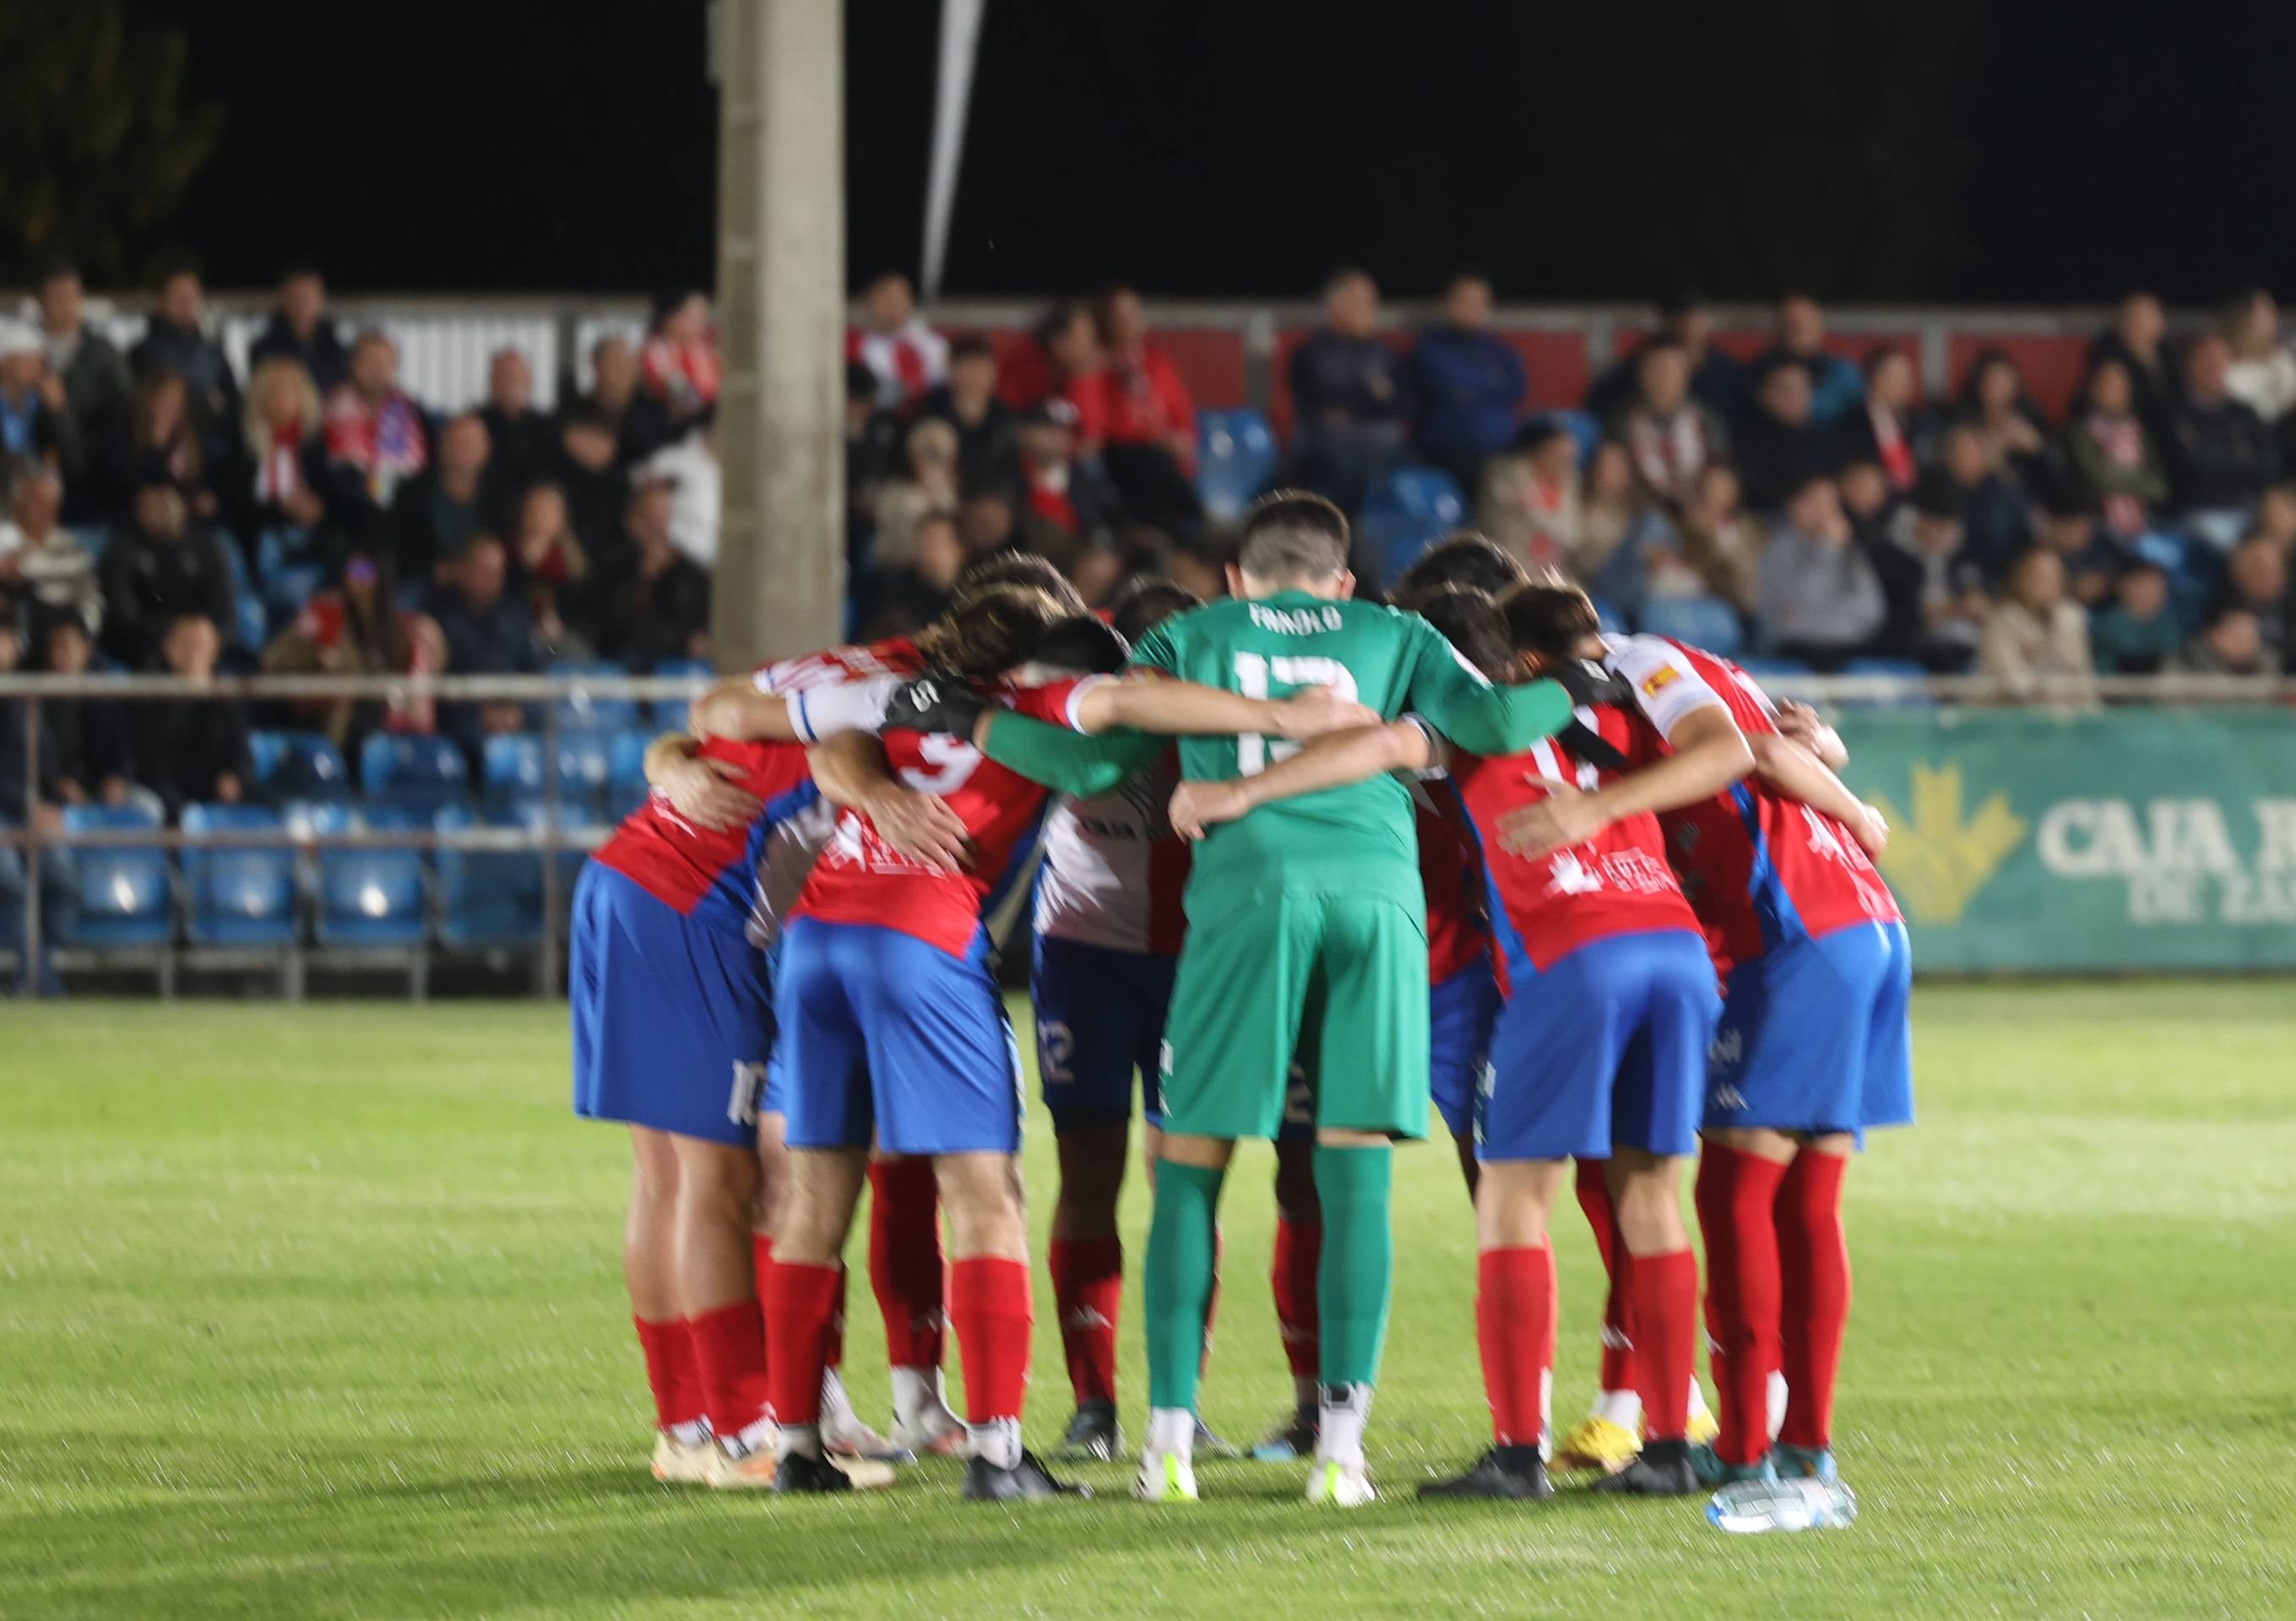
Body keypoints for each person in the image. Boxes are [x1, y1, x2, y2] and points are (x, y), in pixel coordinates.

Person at [938, 492, 1577, 1506]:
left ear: (1237, 578)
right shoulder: (1396, 631)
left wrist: (970, 719)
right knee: (1351, 1176)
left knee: (1188, 1169)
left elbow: (1090, 758)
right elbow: (1499, 721)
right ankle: (1340, 1452)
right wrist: (1584, 681)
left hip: (1244, 898)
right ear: (1340, 583)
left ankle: (1168, 1451)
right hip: (1376, 899)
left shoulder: (1191, 633)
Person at [1169, 585, 1763, 1501]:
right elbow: (1732, 750)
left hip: (1574, 953)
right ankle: (1671, 1444)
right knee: (1650, 1192)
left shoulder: (1464, 721)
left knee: (1512, 1201)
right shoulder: (1610, 705)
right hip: (1674, 944)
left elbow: (1371, 746)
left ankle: (1517, 1455)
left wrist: (1236, 789)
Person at [568, 594, 1059, 1491]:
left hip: (637, 880)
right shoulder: (906, 694)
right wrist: (874, 793)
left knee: (673, 1176)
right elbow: (830, 757)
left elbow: (713, 711)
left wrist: (668, 761)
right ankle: (743, 1431)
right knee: (727, 1178)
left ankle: (690, 1425)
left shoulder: (861, 663)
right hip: (699, 906)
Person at [263, 550, 444, 751]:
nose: (356, 579)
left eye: (364, 572)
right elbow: (275, 657)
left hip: (387, 715)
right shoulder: (325, 613)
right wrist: (320, 660)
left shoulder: (403, 625)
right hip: (326, 714)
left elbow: (422, 670)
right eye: (353, 571)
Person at [1068, 285, 1202, 534]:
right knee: (1143, 458)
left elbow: (1182, 420)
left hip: (1163, 464)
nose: (1130, 322)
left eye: (1134, 313)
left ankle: (1186, 525)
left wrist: (1177, 441)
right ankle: (1190, 519)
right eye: (1120, 315)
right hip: (1122, 461)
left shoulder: (1158, 364)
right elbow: (1094, 429)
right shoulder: (1098, 369)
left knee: (1159, 465)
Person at [1285, 268, 1409, 513]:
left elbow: (1401, 404)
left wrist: (1352, 407)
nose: (1368, 308)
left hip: (1385, 452)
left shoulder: (1385, 354)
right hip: (1328, 453)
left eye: (1371, 301)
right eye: (1358, 301)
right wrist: (1372, 398)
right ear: (1334, 305)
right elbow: (1320, 401)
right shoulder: (1311, 353)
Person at [1407, 270, 1526, 500]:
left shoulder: (1501, 351)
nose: (1473, 307)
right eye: (1465, 300)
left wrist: (1471, 391)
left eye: (1480, 301)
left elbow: (1517, 389)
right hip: (1446, 455)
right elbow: (1446, 388)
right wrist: (1487, 387)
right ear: (1446, 303)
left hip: (1499, 453)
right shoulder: (1429, 349)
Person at [425, 534, 548, 755]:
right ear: (463, 571)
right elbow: (435, 683)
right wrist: (479, 714)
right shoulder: (437, 617)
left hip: (514, 717)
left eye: (498, 572)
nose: (493, 580)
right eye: (485, 571)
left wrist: (518, 712)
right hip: (462, 725)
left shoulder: (516, 616)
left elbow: (534, 672)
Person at [97, 483, 236, 672]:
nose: (163, 507)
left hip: (203, 645)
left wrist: (202, 635)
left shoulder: (208, 549)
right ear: (139, 507)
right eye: (154, 499)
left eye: (168, 498)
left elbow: (226, 614)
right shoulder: (120, 553)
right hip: (144, 649)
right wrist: (173, 632)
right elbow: (123, 617)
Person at [1757, 477, 1886, 670]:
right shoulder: (1776, 550)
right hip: (1793, 650)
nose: (1826, 514)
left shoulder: (1848, 552)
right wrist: (1826, 550)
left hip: (1844, 648)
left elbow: (1871, 610)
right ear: (1796, 506)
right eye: (1818, 504)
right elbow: (1796, 606)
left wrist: (1827, 621)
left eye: (1832, 505)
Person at [34, 261, 133, 509]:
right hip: (33, 476)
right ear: (42, 302)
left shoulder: (103, 354)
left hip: (90, 480)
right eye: (55, 297)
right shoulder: (24, 352)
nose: (63, 306)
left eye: (70, 297)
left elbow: (124, 412)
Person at [132, 614, 252, 816]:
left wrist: (234, 776)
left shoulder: (226, 697)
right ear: (168, 648)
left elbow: (240, 750)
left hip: (216, 787)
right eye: (187, 644)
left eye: (202, 645)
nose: (195, 653)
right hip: (167, 788)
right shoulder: (151, 694)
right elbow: (151, 759)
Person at [2166, 334, 2279, 548]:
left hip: (2250, 508)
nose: (2215, 366)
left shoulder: (2244, 413)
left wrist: (2218, 461)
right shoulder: (2174, 415)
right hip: (2200, 512)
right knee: (2229, 542)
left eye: (2221, 359)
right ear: (2190, 364)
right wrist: (2240, 460)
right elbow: (2190, 471)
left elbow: (2269, 464)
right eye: (2207, 358)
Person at [589, 479, 710, 669]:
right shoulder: (614, 562)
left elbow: (697, 618)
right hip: (621, 657)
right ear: (634, 518)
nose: (657, 523)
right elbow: (606, 619)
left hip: (677, 660)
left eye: (662, 514)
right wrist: (641, 576)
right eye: (650, 515)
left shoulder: (686, 569)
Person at [323, 333, 431, 546]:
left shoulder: (412, 412)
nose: (376, 371)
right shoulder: (327, 411)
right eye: (369, 361)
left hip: (401, 522)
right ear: (352, 365)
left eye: (383, 363)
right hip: (345, 524)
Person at [1870, 487, 1989, 671]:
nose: (1943, 536)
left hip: (1967, 647)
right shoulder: (1889, 558)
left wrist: (1980, 608)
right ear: (1920, 519)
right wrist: (1938, 612)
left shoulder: (1961, 560)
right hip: (1911, 654)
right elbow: (1892, 622)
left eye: (1950, 529)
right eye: (1938, 527)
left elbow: (1983, 601)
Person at [1588, 293, 1743, 426]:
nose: (1690, 326)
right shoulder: (1644, 359)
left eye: (1696, 318)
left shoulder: (1722, 370)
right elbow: (1602, 401)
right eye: (1681, 319)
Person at [35, 610, 136, 807]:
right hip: (52, 792)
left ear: (85, 648)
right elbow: (36, 759)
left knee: (147, 807)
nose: (58, 656)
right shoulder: (36, 699)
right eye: (53, 647)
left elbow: (122, 749)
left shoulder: (105, 694)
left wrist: (117, 778)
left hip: (100, 788)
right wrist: (57, 783)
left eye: (66, 646)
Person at [1612, 337, 1729, 508]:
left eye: (1673, 370)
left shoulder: (1707, 419)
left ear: (1686, 374)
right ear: (1641, 375)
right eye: (1656, 370)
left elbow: (1722, 472)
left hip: (1699, 510)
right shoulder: (1622, 421)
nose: (1664, 379)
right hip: (1642, 512)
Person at [2065, 357, 2169, 539]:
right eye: (2109, 383)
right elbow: (2098, 478)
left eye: (2122, 384)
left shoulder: (2140, 431)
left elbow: (2160, 486)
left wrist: (2120, 478)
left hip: (2146, 518)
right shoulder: (2080, 432)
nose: (2116, 390)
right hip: (2099, 520)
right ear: (2093, 388)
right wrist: (2140, 478)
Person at [386, 413, 496, 582]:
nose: (465, 450)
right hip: (426, 584)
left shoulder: (500, 495)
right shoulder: (413, 494)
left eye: (472, 443)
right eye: (458, 443)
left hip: (486, 588)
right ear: (441, 447)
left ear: (486, 450)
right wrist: (440, 570)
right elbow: (401, 552)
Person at [1978, 548, 2096, 700]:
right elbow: (2010, 678)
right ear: (2020, 579)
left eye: (2051, 577)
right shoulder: (2002, 619)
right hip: (2006, 710)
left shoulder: (2071, 618)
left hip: (2062, 711)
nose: (2043, 583)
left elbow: (2078, 672)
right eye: (2037, 576)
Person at [232, 357, 328, 541]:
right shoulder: (242, 439)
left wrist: (316, 507)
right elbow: (236, 501)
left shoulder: (314, 440)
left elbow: (326, 491)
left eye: (291, 390)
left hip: (310, 530)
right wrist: (282, 507)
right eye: (274, 391)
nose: (282, 398)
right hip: (255, 530)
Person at [0, 463, 100, 636]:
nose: (47, 510)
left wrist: (83, 632)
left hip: (65, 635)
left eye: (52, 502)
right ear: (18, 501)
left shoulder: (68, 545)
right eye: (38, 501)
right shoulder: (4, 538)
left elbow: (90, 594)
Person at [914, 334, 1018, 499]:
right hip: (939, 493)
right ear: (952, 370)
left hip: (989, 499)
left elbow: (1009, 474)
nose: (976, 376)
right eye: (969, 367)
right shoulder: (928, 410)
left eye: (983, 368)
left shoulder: (1005, 418)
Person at [1735, 360, 1842, 513]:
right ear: (1763, 395)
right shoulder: (1747, 438)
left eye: (1802, 390)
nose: (1794, 398)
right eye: (1785, 390)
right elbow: (1751, 488)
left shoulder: (1822, 438)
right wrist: (1798, 501)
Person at [0, 322, 85, 493]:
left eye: (39, 361)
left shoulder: (48, 406)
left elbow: (75, 465)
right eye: (27, 360)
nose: (37, 368)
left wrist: (59, 413)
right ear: (5, 364)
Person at [1755, 296, 1864, 427]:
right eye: (1791, 324)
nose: (1798, 330)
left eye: (1805, 324)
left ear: (1819, 327)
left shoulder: (1843, 374)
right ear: (1777, 329)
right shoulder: (1757, 374)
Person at [845, 273, 947, 410]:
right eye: (887, 296)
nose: (895, 304)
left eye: (902, 296)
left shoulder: (934, 344)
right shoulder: (854, 345)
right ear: (868, 300)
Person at [1953, 350, 2049, 492]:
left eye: (2006, 384)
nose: (1999, 390)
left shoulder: (2029, 420)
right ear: (1980, 387)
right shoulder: (1965, 422)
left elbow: (2047, 478)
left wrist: (2038, 449)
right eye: (1993, 383)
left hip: (2026, 499)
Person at [249, 262, 350, 397]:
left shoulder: (338, 351)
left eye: (308, 296)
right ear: (283, 299)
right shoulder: (264, 350)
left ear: (321, 299)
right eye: (295, 297)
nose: (302, 304)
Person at [2087, 290, 2173, 447]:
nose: (2144, 324)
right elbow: (2111, 406)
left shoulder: (2169, 355)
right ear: (2123, 322)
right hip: (2124, 434)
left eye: (2152, 317)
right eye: (2138, 318)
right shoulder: (2109, 358)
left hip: (2163, 432)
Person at [1837, 348, 1929, 496]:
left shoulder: (1916, 421)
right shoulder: (1851, 425)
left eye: (1907, 378)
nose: (1905, 385)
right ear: (1873, 379)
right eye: (1895, 377)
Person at [580, 336, 673, 465]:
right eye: (616, 364)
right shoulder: (575, 416)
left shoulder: (654, 418)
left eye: (630, 365)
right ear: (597, 367)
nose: (624, 372)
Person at [478, 349, 556, 494]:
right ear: (491, 381)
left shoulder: (546, 428)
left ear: (528, 380)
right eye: (502, 376)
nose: (508, 384)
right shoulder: (476, 426)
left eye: (514, 377)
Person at [2088, 561, 2186, 675]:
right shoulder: (2108, 625)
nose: (2152, 591)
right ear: (2124, 586)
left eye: (2157, 584)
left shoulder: (2170, 623)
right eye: (2144, 584)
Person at [639, 290, 720, 428]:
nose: (703, 323)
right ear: (672, 318)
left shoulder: (704, 345)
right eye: (695, 317)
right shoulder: (657, 353)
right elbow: (685, 399)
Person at [2211, 534, 2289, 668]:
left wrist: (2258, 654)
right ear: (2236, 570)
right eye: (2257, 566)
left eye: (2272, 567)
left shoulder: (2290, 609)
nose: (2266, 573)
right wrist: (2213, 651)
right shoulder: (2213, 607)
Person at [2220, 288, 2296, 424]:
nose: (2273, 319)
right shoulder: (2221, 357)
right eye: (2263, 314)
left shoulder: (2279, 357)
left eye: (2272, 313)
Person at [2174, 604, 2271, 675]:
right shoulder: (2183, 665)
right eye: (2237, 635)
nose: (2245, 643)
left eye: (2251, 636)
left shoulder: (2269, 669)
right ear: (2213, 635)